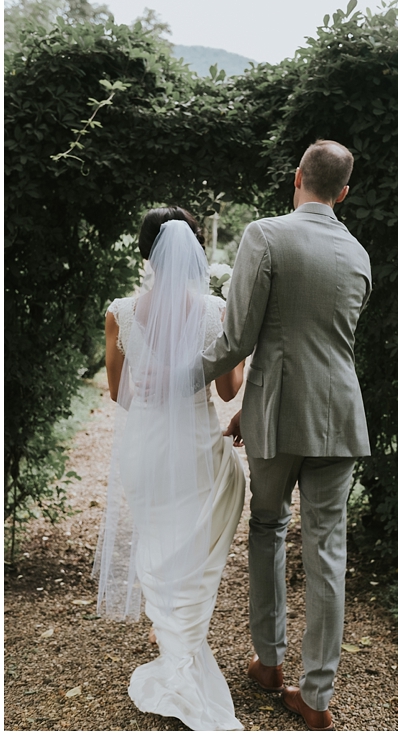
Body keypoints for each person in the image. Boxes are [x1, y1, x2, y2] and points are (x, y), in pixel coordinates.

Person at [202, 139, 372, 730]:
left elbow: (238, 338)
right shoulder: (358, 253)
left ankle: (270, 663)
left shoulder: (265, 235)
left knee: (269, 527)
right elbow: (332, 342)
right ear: (343, 192)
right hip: (340, 417)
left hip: (277, 414)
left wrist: (177, 378)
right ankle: (317, 696)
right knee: (328, 551)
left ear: (297, 177)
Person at [94, 208, 247, 730]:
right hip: (199, 445)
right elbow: (228, 390)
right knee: (207, 524)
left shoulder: (122, 313)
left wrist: (156, 385)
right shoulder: (214, 311)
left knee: (159, 546)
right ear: (195, 253)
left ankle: (175, 647)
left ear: (144, 253)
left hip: (148, 447)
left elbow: (120, 394)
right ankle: (184, 652)